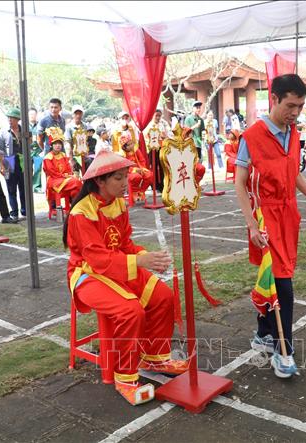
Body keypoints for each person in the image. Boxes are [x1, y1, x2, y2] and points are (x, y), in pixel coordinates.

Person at [234, 74, 306, 378]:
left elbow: (294, 175)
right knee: (282, 280)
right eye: (290, 105)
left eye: (300, 106)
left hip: (289, 214)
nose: (295, 112)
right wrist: (252, 224)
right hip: (265, 217)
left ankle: (263, 334)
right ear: (275, 99)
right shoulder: (252, 137)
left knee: (273, 273)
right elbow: (240, 184)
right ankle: (285, 350)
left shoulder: (294, 133)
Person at [63, 150, 187, 405]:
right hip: (87, 275)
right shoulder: (81, 213)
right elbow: (97, 261)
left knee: (164, 296)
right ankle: (125, 378)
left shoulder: (119, 203)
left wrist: (147, 256)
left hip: (118, 266)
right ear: (100, 181)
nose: (125, 183)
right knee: (131, 311)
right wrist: (139, 261)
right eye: (119, 178)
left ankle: (154, 357)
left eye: (126, 176)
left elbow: (126, 244)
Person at [0, 108, 27, 220]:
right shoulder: (3, 132)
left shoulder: (24, 130)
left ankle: (25, 210)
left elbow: (29, 145)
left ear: (17, 119)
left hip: (22, 161)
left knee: (24, 187)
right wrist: (2, 165)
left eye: (12, 118)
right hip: (9, 160)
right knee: (11, 188)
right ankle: (14, 212)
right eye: (9, 118)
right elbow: (0, 150)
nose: (10, 120)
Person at [43, 127, 83, 204]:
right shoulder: (48, 157)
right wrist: (65, 176)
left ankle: (73, 207)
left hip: (64, 179)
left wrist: (69, 175)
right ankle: (78, 205)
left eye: (59, 144)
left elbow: (68, 168)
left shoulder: (63, 155)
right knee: (76, 182)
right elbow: (52, 173)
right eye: (55, 144)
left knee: (75, 190)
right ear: (52, 145)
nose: (58, 145)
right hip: (54, 180)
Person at [119, 130, 154, 202]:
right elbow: (124, 167)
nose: (132, 145)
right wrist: (135, 170)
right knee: (136, 177)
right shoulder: (122, 155)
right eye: (129, 145)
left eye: (132, 143)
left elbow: (142, 160)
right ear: (124, 147)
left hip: (140, 169)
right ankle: (135, 192)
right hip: (128, 172)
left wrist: (142, 168)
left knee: (150, 175)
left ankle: (141, 191)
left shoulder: (136, 150)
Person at [64, 105, 88, 172]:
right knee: (75, 175)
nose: (78, 115)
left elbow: (85, 141)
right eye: (76, 113)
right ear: (73, 115)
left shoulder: (85, 126)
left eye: (80, 113)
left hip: (84, 155)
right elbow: (68, 144)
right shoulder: (69, 127)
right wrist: (71, 159)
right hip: (74, 156)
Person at [28, 107, 43, 192]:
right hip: (28, 150)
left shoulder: (40, 125)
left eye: (33, 114)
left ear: (36, 115)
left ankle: (36, 187)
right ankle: (29, 187)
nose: (32, 116)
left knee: (38, 169)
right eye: (30, 114)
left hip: (38, 150)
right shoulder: (24, 126)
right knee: (28, 169)